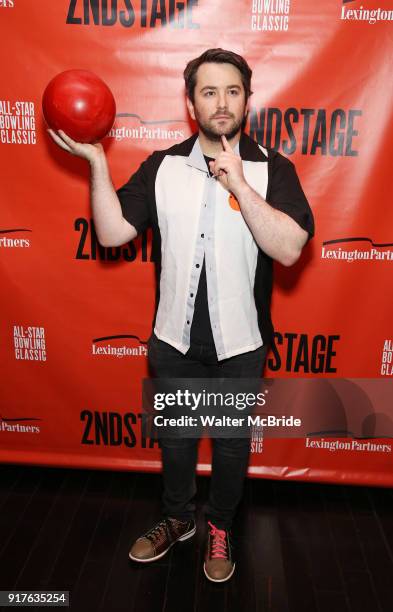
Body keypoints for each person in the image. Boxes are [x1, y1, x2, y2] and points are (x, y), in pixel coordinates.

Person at [48, 48, 314, 583]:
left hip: (240, 342)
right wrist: (98, 164)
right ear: (191, 103)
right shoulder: (162, 166)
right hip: (172, 339)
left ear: (248, 100)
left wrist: (237, 182)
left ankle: (219, 526)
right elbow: (111, 233)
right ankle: (177, 520)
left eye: (232, 91)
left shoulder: (271, 169)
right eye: (209, 91)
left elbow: (289, 249)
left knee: (233, 445)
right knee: (175, 440)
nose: (221, 102)